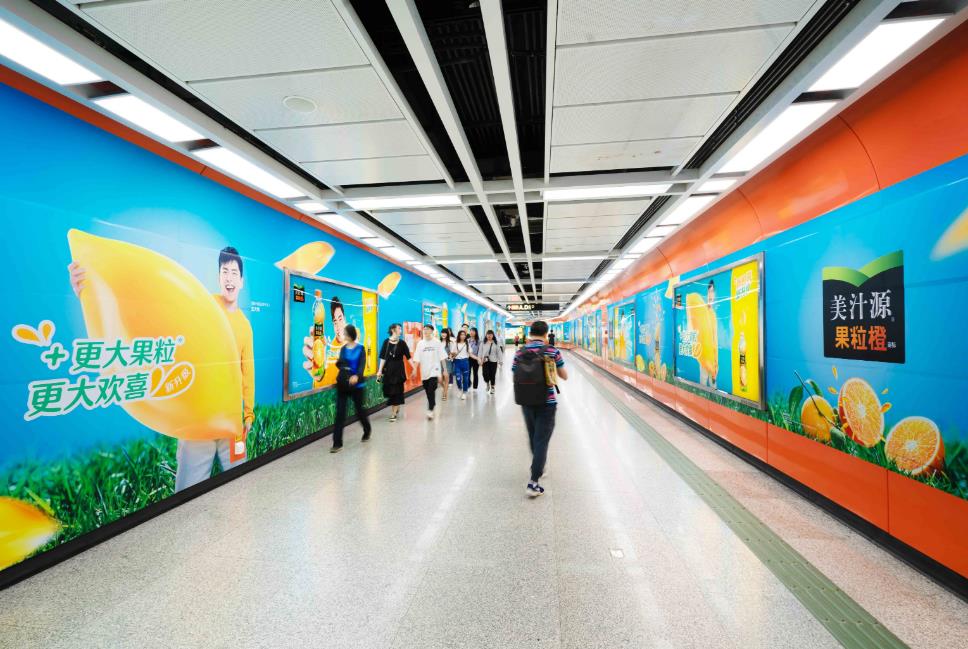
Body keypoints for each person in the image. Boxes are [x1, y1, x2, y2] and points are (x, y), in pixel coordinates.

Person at [77, 246, 256, 492]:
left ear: (241, 281)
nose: (229, 278)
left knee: (240, 482)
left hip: (231, 421)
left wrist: (248, 413)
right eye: (224, 272)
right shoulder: (203, 306)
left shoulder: (245, 326)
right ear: (218, 277)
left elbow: (247, 372)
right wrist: (88, 288)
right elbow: (154, 305)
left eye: (234, 273)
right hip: (197, 417)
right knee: (187, 491)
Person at [512, 320, 567, 498]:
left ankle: (539, 465)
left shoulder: (520, 351)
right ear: (546, 334)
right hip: (547, 402)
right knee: (541, 440)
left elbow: (514, 373)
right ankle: (533, 481)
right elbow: (564, 375)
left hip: (526, 401)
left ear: (530, 333)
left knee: (533, 436)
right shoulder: (552, 351)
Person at [331, 324, 371, 453]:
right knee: (340, 413)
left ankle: (367, 430)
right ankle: (337, 443)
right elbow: (341, 364)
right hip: (343, 384)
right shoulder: (343, 349)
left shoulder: (361, 348)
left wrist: (357, 376)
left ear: (350, 334)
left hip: (357, 385)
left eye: (345, 333)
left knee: (359, 411)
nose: (343, 335)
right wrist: (342, 368)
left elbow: (362, 365)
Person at [411, 324, 449, 419]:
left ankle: (430, 409)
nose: (425, 331)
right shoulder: (420, 344)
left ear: (432, 331)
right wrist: (414, 369)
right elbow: (417, 358)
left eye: (427, 329)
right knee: (427, 390)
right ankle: (432, 403)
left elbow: (442, 357)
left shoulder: (437, 342)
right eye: (424, 329)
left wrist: (445, 370)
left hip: (435, 370)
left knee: (431, 388)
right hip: (424, 371)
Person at [377, 323, 411, 422]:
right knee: (390, 391)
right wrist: (379, 370)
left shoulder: (402, 343)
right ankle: (396, 406)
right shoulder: (386, 342)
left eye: (401, 328)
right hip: (388, 370)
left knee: (397, 391)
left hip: (398, 370)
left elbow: (408, 357)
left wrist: (415, 367)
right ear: (393, 330)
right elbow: (383, 358)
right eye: (399, 328)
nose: (401, 330)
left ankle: (393, 413)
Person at [451, 329, 475, 401]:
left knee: (465, 378)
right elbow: (452, 353)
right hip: (457, 362)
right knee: (458, 377)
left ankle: (464, 392)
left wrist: (477, 358)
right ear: (459, 335)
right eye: (461, 334)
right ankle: (459, 388)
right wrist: (454, 353)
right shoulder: (455, 343)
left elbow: (470, 353)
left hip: (465, 362)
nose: (463, 336)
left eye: (464, 335)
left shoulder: (467, 343)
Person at [479, 329, 503, 394]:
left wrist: (501, 361)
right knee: (485, 374)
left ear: (493, 335)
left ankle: (492, 387)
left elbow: (499, 352)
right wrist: (479, 360)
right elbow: (480, 352)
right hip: (485, 361)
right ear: (486, 335)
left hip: (494, 361)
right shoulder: (483, 343)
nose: (489, 336)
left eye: (491, 334)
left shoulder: (496, 343)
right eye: (488, 334)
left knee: (492, 374)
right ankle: (487, 383)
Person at [440, 328, 454, 401]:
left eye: (445, 333)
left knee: (446, 378)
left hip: (447, 362)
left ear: (447, 334)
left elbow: (452, 352)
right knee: (439, 379)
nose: (443, 334)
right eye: (442, 333)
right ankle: (445, 388)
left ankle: (444, 394)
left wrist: (450, 356)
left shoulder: (450, 343)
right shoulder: (438, 342)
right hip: (439, 362)